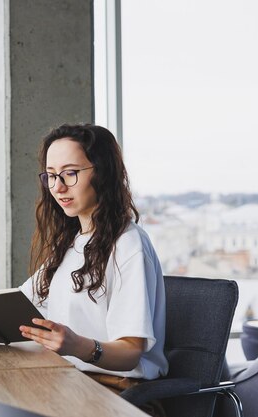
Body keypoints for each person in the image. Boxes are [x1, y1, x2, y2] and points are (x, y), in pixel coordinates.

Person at [18, 124, 168, 415]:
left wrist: (76, 345)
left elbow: (130, 352)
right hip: (66, 381)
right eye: (51, 175)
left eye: (70, 173)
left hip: (116, 393)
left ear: (101, 173)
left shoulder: (128, 245)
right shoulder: (71, 244)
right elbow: (22, 304)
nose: (58, 187)